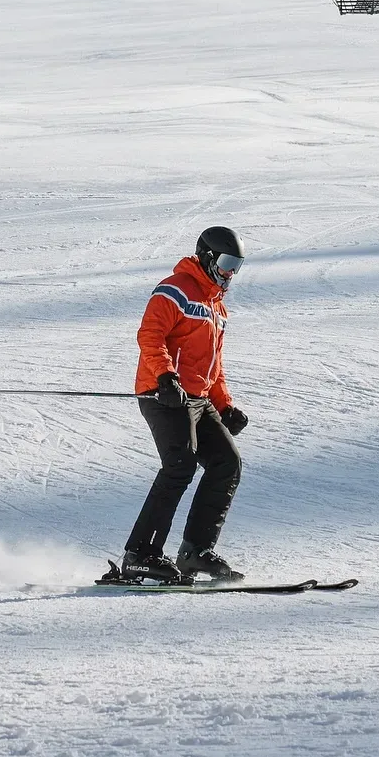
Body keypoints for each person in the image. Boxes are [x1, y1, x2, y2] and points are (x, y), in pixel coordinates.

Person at [121, 226, 250, 584]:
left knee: (227, 462)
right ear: (207, 257)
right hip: (163, 395)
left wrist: (224, 405)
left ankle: (196, 552)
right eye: (226, 263)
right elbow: (150, 335)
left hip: (197, 398)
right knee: (180, 466)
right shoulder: (175, 290)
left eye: (237, 265)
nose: (230, 272)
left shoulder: (216, 306)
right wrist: (165, 377)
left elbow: (213, 364)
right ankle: (140, 555)